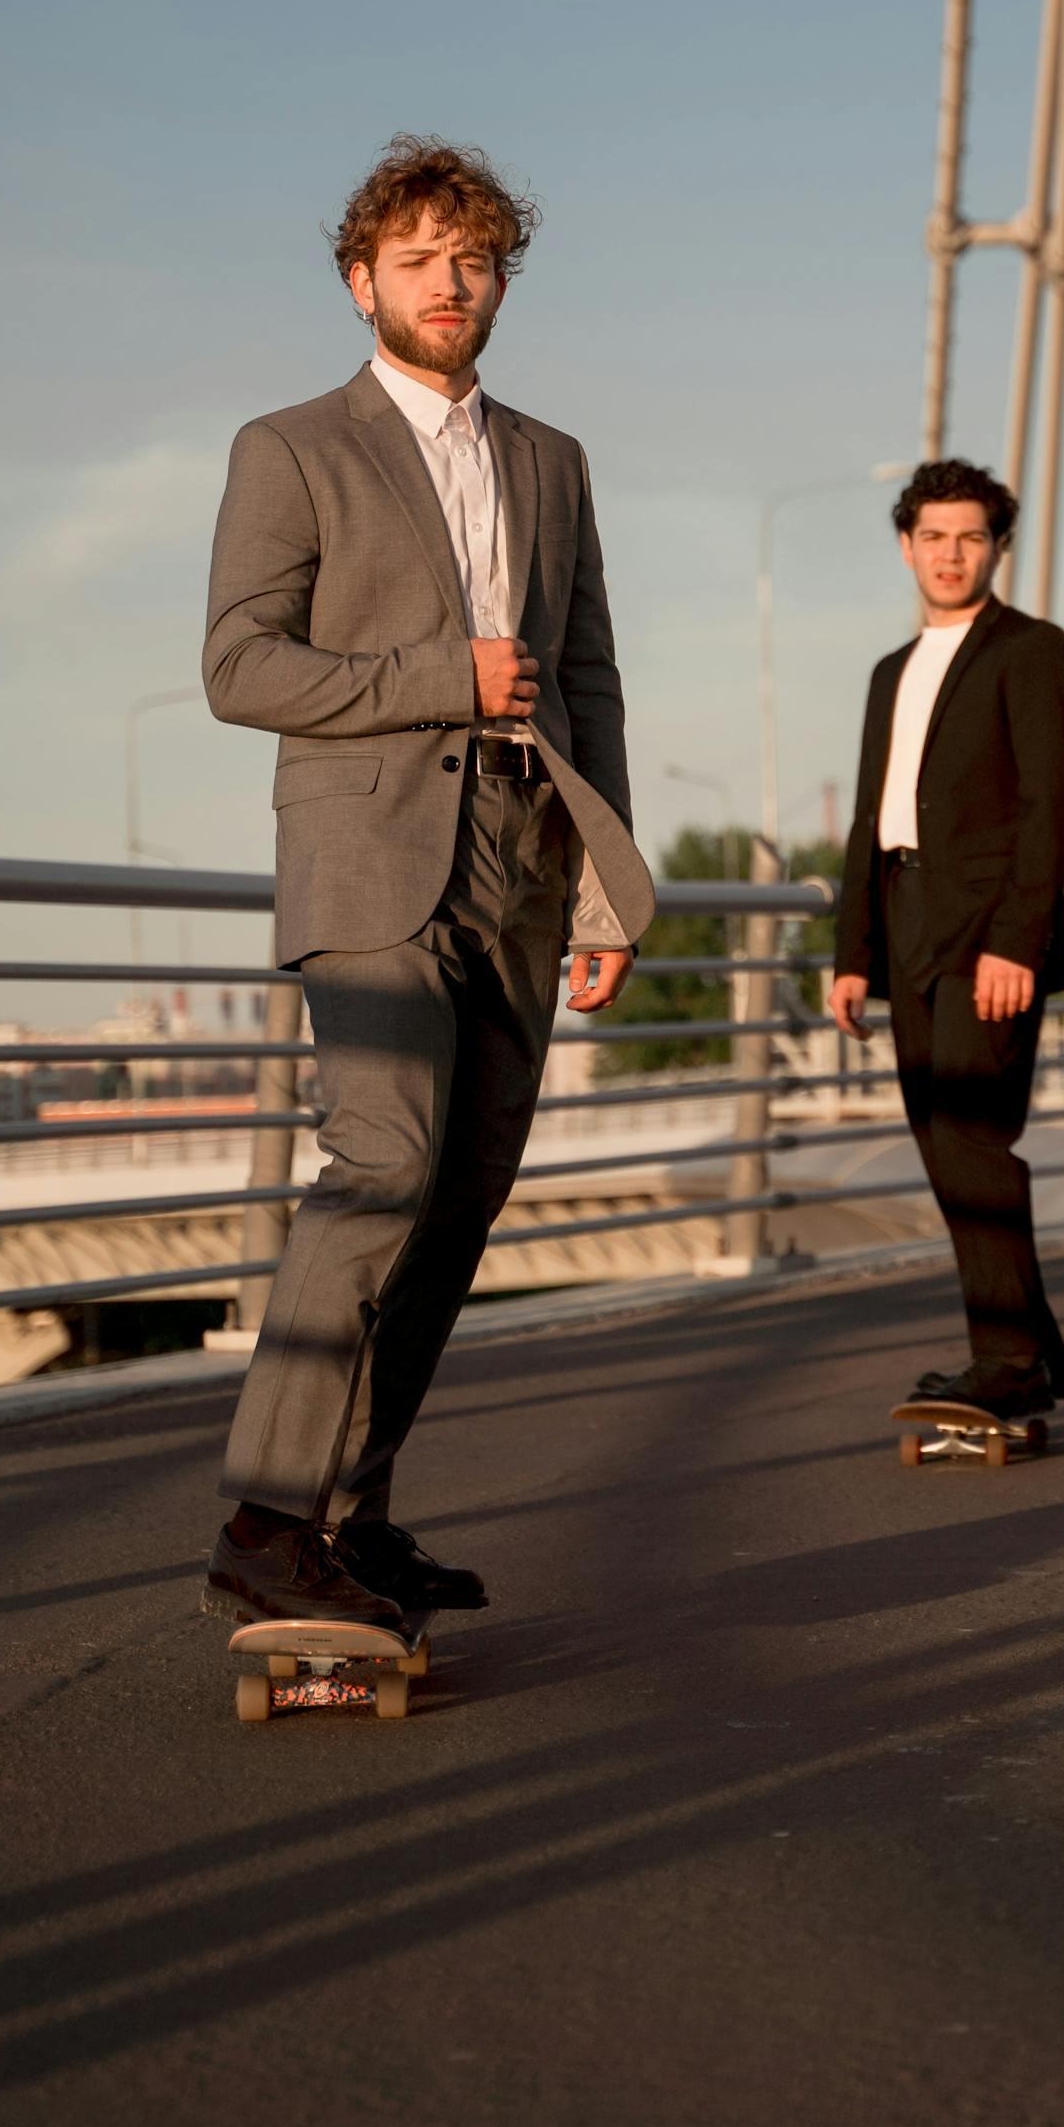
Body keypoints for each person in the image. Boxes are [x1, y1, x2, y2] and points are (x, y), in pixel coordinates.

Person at [199, 134, 654, 1637]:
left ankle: (354, 1512)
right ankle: (270, 1517)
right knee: (382, 1167)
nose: (449, 283)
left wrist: (606, 883)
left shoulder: (551, 460)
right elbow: (237, 665)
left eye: (474, 259)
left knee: (459, 1199)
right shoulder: (293, 448)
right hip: (373, 862)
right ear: (359, 282)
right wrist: (436, 677)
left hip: (521, 871)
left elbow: (586, 676)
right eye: (417, 259)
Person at [828, 460, 1064, 1423]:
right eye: (934, 536)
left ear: (996, 547)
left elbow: (1048, 809)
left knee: (976, 1142)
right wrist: (851, 953)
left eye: (970, 537)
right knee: (942, 1145)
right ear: (907, 546)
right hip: (904, 925)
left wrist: (1017, 942)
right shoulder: (891, 672)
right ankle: (1038, 1348)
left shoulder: (1032, 651)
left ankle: (1009, 1363)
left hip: (988, 935)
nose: (950, 554)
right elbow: (871, 817)